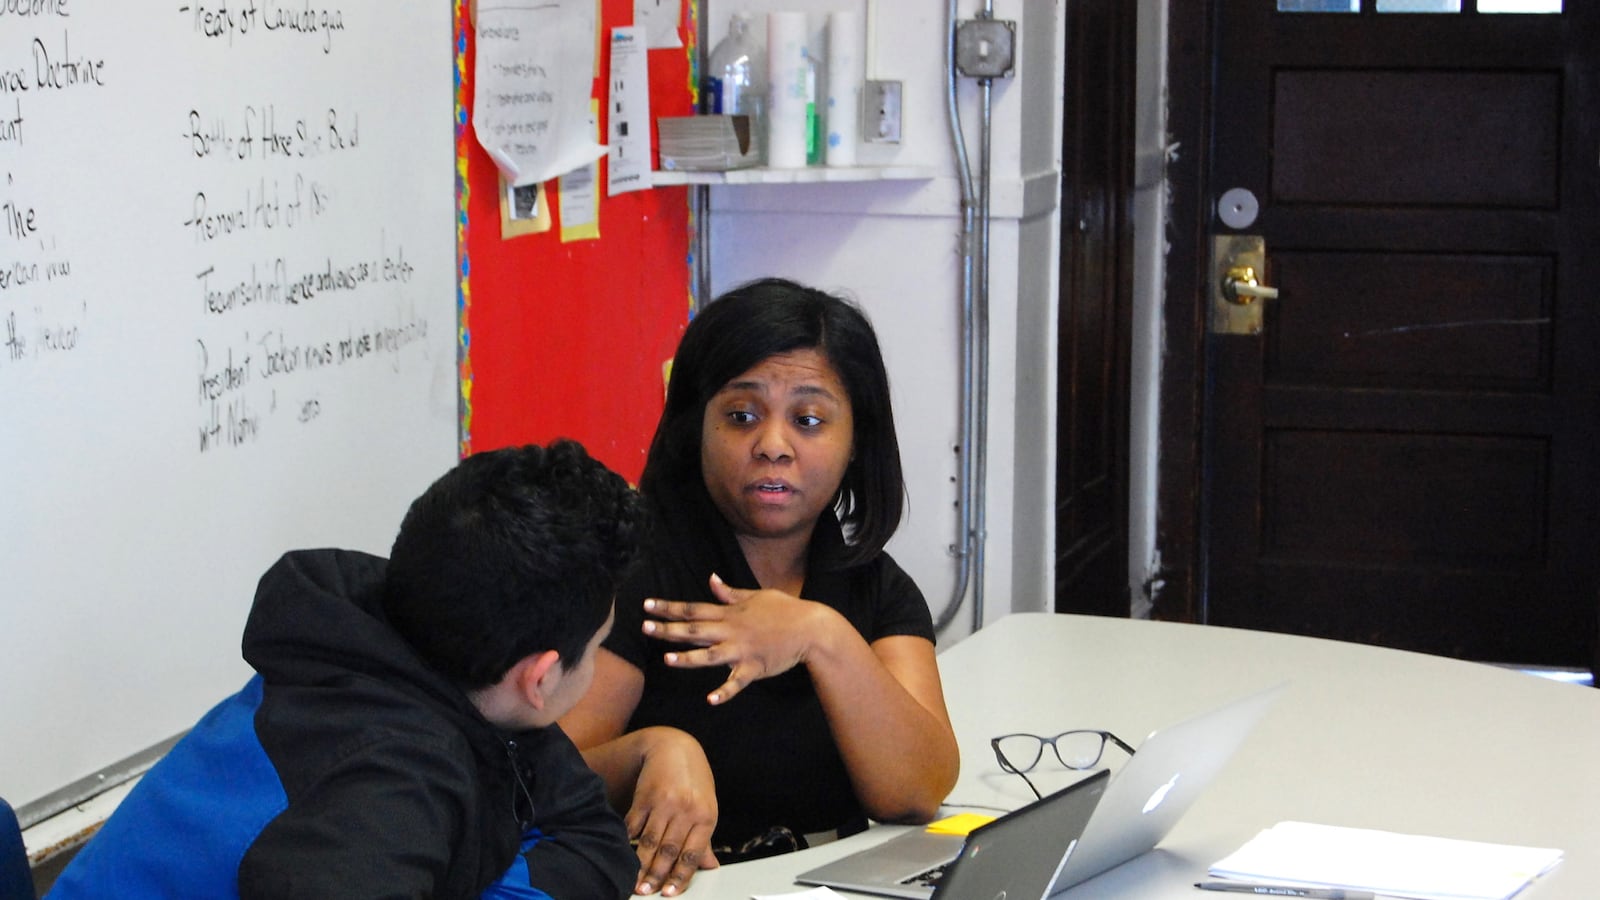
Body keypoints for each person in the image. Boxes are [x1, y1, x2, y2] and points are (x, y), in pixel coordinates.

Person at [48, 441, 642, 899]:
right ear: (539, 678)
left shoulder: (434, 649)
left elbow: (590, 837)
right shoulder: (380, 783)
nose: (594, 664)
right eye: (596, 647)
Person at [560, 278, 961, 897]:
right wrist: (652, 749)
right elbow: (534, 777)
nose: (773, 446)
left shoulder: (874, 588)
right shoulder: (638, 576)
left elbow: (914, 793)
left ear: (857, 442)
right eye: (741, 416)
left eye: (808, 419)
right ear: (697, 428)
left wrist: (819, 634)